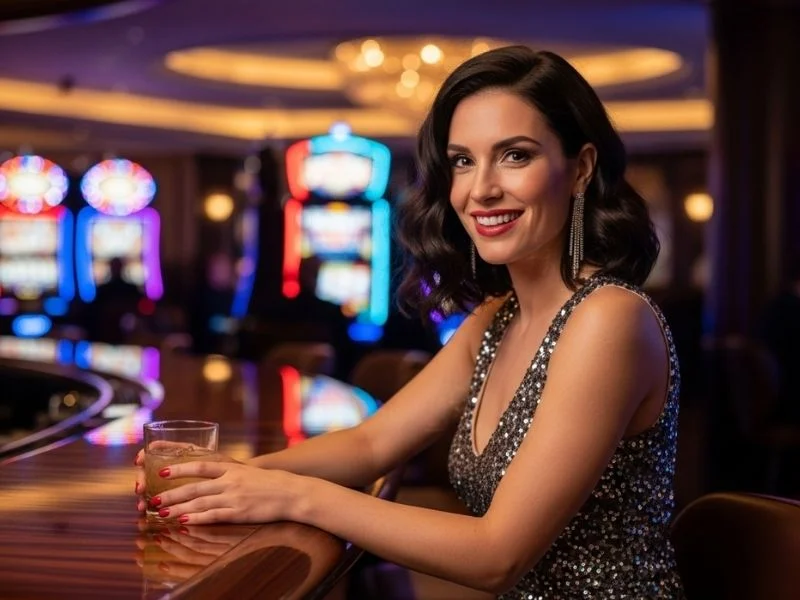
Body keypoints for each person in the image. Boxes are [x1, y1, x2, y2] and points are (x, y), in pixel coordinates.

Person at [135, 46, 685, 598]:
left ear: (580, 168)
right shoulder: (499, 319)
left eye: (515, 155)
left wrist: (292, 495)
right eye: (463, 161)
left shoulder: (609, 318)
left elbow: (498, 555)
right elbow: (373, 444)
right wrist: (230, 478)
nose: (480, 189)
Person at [86, 257, 143, 343]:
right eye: (114, 266)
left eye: (117, 266)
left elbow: (140, 310)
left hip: (129, 335)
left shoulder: (131, 289)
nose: (115, 269)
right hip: (104, 334)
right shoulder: (103, 290)